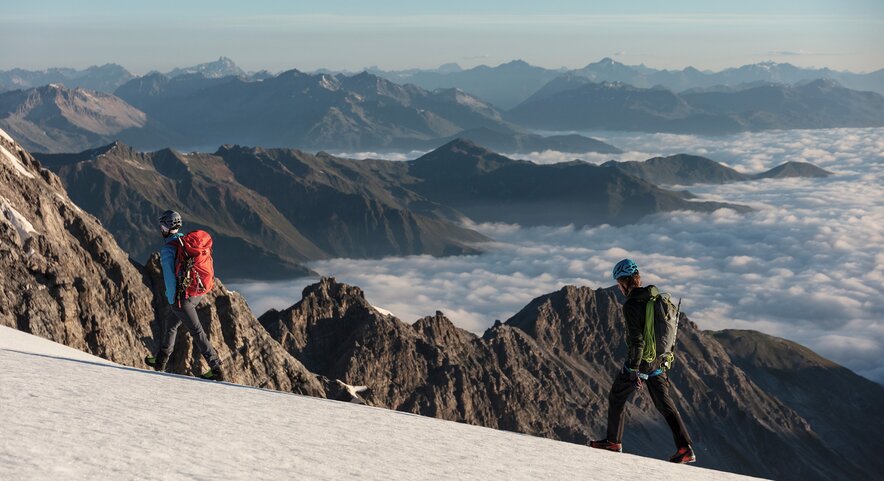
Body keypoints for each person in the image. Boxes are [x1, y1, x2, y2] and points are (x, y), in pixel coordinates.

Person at [590, 258, 695, 464]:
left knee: (616, 396)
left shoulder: (631, 304)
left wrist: (633, 370)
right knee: (665, 405)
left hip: (642, 362)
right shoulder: (653, 297)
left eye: (619, 283)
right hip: (659, 361)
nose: (619, 288)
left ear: (624, 282)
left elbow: (637, 342)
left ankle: (613, 441)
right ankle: (685, 448)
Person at [145, 210, 225, 381]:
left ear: (166, 227)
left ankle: (216, 368)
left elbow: (169, 279)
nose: (161, 229)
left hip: (182, 298)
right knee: (171, 324)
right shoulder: (187, 242)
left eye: (162, 225)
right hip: (197, 292)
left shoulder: (168, 249)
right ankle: (160, 361)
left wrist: (173, 299)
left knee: (197, 331)